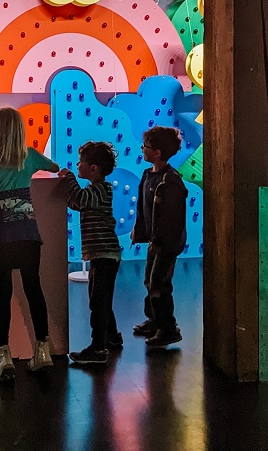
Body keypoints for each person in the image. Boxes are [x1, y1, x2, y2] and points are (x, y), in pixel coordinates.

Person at [0, 107, 59, 382]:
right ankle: (42, 349)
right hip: (29, 235)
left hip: (2, 236)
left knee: (3, 293)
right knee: (34, 289)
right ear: (20, 130)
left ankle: (3, 354)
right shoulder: (29, 156)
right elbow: (54, 168)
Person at [58, 141, 122, 364]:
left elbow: (82, 199)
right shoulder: (95, 191)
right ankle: (113, 338)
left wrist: (69, 179)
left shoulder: (100, 190)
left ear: (93, 168)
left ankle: (98, 349)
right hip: (101, 255)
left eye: (80, 162)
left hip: (106, 255)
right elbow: (77, 203)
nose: (77, 165)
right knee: (101, 300)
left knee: (98, 302)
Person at [131, 126, 188, 349]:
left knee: (159, 283)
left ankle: (168, 328)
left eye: (145, 147)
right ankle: (155, 319)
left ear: (157, 152)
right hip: (155, 241)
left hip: (165, 243)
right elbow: (143, 208)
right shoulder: (149, 175)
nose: (142, 150)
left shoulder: (170, 181)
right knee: (150, 279)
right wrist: (141, 230)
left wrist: (159, 242)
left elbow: (171, 219)